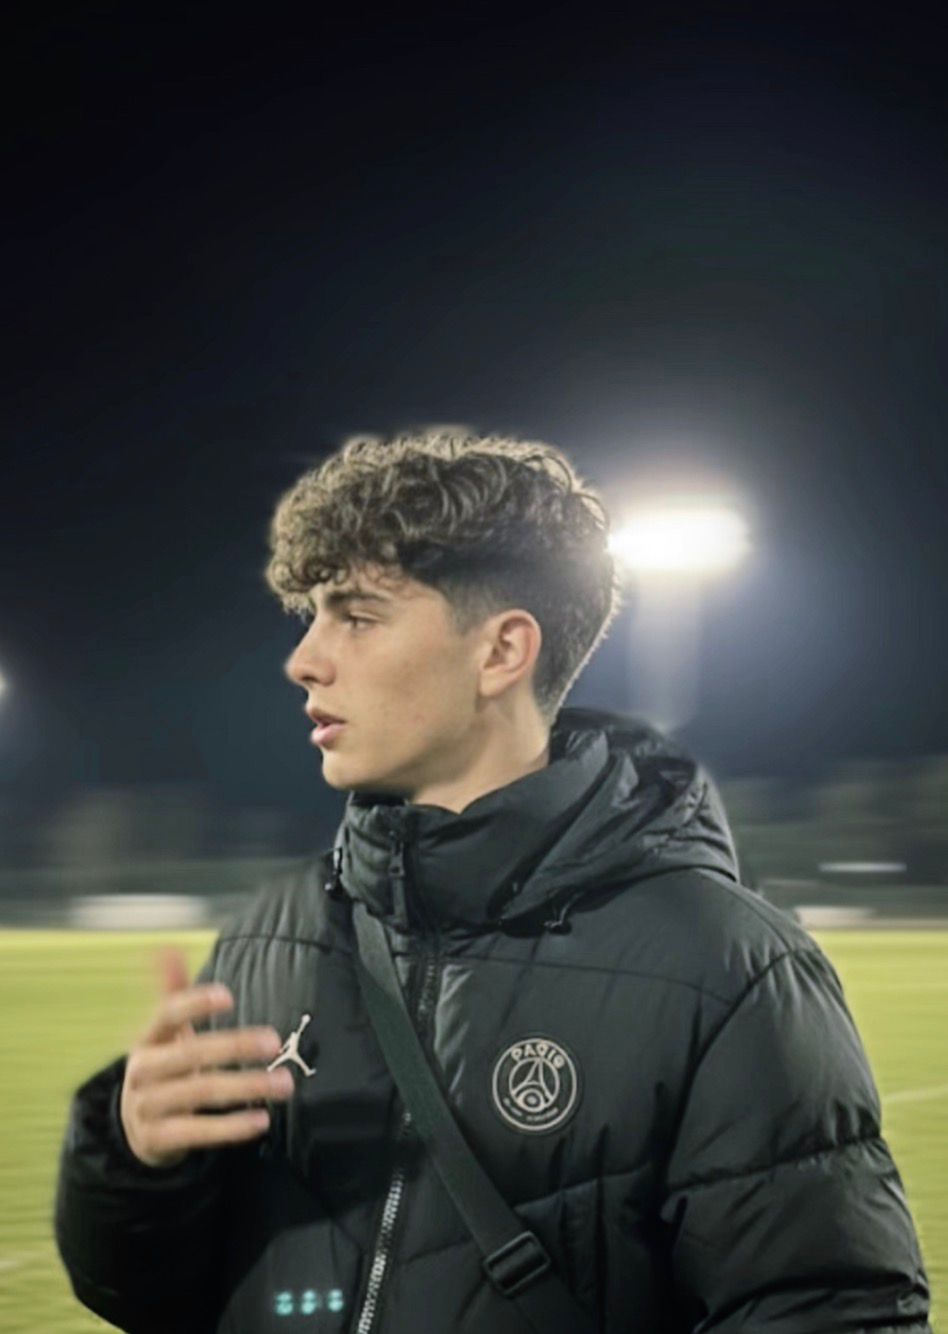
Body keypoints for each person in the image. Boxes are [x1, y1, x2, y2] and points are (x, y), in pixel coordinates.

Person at [54, 427, 931, 1333]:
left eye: (357, 616)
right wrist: (137, 1162)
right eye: (312, 616)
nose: (305, 659)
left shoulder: (728, 971)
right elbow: (168, 1296)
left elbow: (828, 1311)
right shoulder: (271, 935)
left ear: (502, 652)